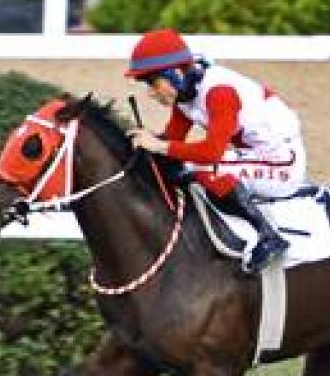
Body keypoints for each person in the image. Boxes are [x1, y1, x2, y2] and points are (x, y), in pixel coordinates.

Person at [124, 28, 306, 274]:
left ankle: (270, 236)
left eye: (152, 83)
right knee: (177, 166)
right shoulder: (186, 93)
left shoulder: (220, 92)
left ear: (175, 74)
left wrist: (159, 145)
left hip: (282, 162)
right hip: (252, 156)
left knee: (204, 167)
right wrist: (144, 142)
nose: (151, 93)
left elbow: (212, 153)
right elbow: (173, 140)